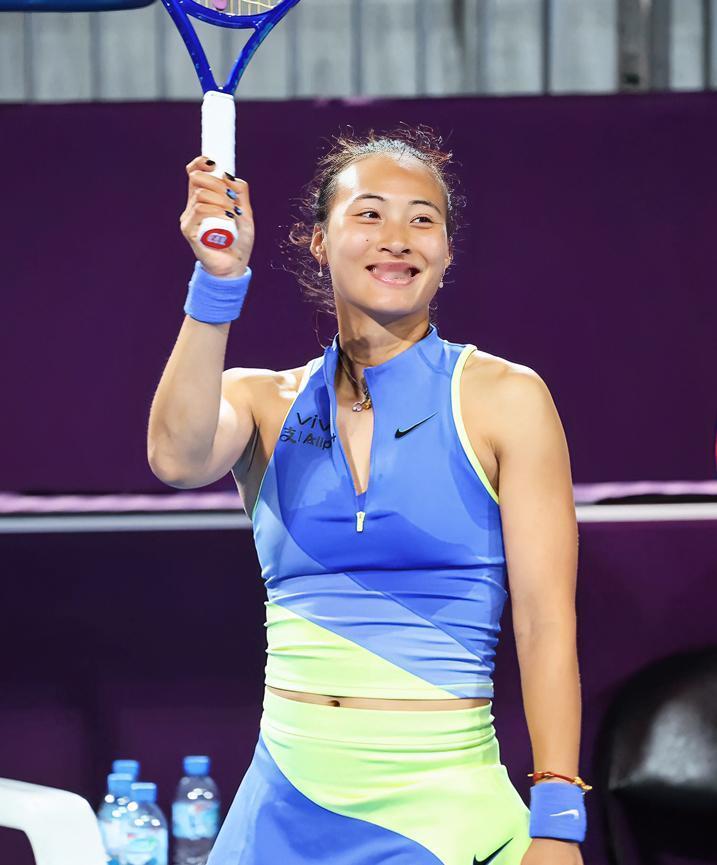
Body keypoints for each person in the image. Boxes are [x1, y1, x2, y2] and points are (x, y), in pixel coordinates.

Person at [147, 126, 589, 865]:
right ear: (319, 242)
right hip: (278, 811)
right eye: (370, 214)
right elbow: (175, 457)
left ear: (446, 252)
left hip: (445, 815)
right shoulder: (261, 400)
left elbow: (545, 623)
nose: (398, 238)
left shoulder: (506, 397)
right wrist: (218, 280)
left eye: (423, 220)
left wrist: (558, 819)